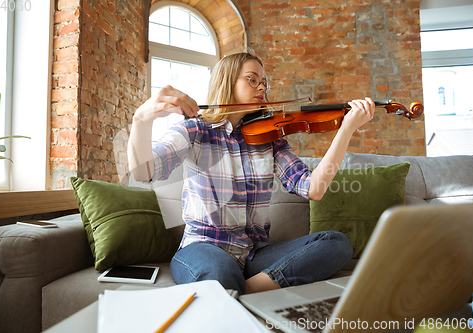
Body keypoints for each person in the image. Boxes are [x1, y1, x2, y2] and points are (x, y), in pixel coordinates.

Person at [128, 52, 375, 295]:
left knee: (336, 244)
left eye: (264, 81)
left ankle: (242, 290)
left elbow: (313, 188)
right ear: (227, 82)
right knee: (220, 273)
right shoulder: (196, 130)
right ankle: (237, 288)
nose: (262, 87)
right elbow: (143, 171)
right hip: (203, 247)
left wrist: (346, 129)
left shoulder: (269, 138)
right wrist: (141, 119)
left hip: (255, 254)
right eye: (252, 79)